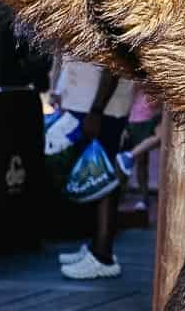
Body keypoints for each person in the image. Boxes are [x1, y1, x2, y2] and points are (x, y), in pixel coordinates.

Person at [52, 57, 132, 279]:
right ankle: (96, 246)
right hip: (88, 105)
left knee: (102, 178)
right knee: (94, 174)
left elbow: (114, 65)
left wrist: (96, 111)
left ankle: (102, 255)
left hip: (103, 109)